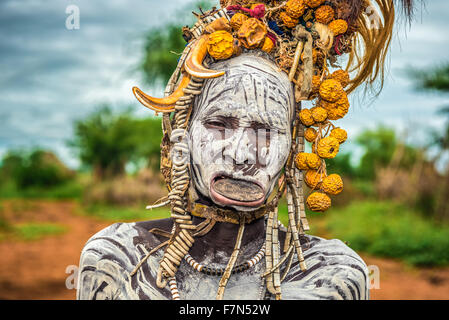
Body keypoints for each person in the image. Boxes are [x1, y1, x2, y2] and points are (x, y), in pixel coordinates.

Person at [77, 0, 413, 300]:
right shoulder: (117, 261)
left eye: (266, 131)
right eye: (219, 125)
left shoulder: (332, 278)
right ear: (182, 134)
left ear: (293, 148)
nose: (241, 154)